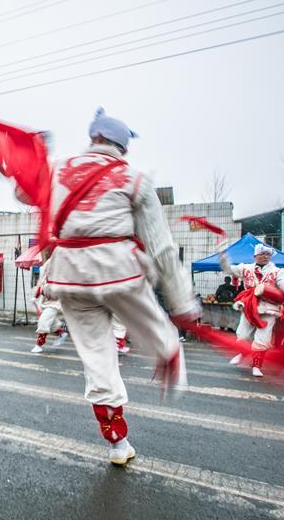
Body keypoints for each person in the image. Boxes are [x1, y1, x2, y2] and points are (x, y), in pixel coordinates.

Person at [37, 108, 199, 466]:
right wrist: (182, 302)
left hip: (70, 277)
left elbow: (25, 191)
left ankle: (117, 443)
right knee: (155, 326)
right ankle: (167, 352)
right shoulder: (134, 179)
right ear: (121, 147)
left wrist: (35, 155)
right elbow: (161, 246)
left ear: (93, 139)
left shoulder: (56, 170)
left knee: (97, 359)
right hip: (118, 271)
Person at [220, 244, 284, 378]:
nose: (265, 257)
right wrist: (223, 254)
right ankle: (242, 353)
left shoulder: (277, 272)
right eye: (262, 254)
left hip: (268, 308)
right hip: (249, 305)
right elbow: (228, 269)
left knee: (262, 337)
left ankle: (256, 365)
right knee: (243, 334)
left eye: (268, 254)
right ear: (255, 256)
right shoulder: (245, 268)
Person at [31, 257, 67, 353]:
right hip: (46, 302)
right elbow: (41, 287)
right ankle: (61, 333)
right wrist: (35, 297)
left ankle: (39, 345)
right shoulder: (46, 275)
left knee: (44, 321)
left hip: (55, 303)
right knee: (52, 323)